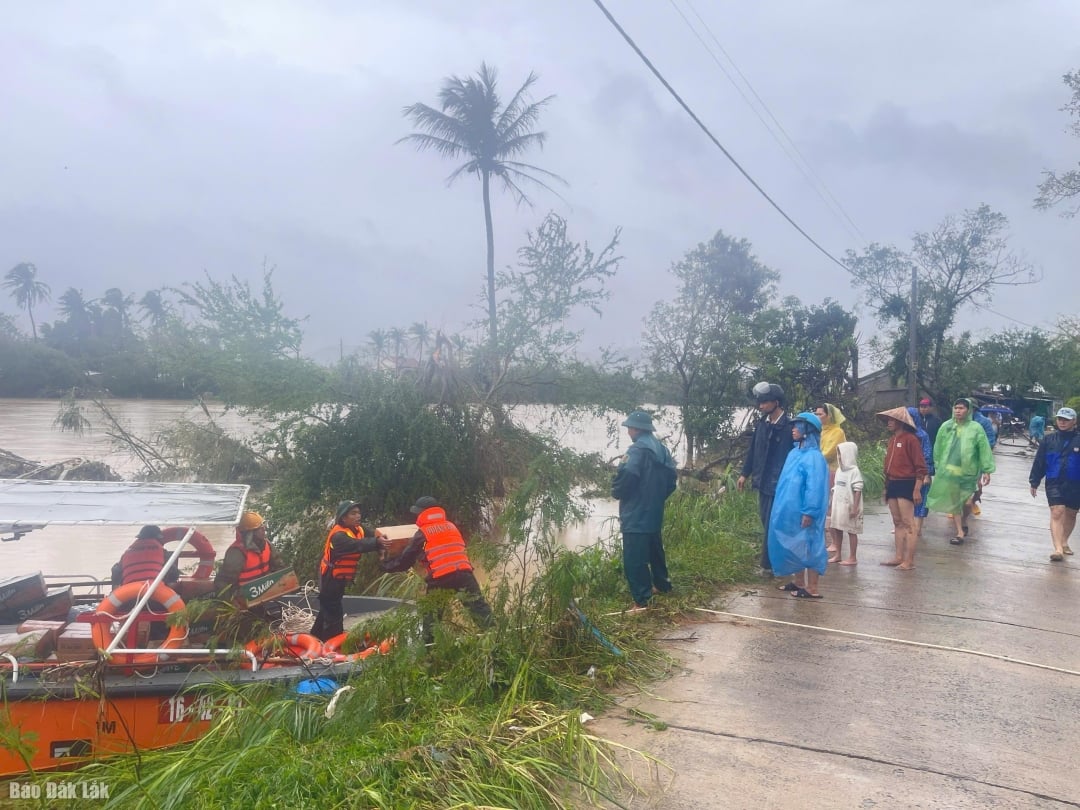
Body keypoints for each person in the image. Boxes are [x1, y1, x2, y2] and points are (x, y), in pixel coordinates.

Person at [380, 496, 492, 643]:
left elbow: (404, 562)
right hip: (465, 574)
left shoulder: (423, 533)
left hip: (441, 578)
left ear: (422, 513)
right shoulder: (451, 526)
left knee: (431, 619)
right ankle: (497, 644)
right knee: (481, 612)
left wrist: (384, 564)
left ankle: (430, 656)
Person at [610, 409, 678, 611]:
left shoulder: (636, 451)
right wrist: (657, 498)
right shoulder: (662, 449)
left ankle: (641, 601)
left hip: (636, 512)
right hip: (654, 511)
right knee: (655, 550)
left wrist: (617, 492)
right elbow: (672, 481)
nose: (628, 431)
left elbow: (627, 474)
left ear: (635, 429)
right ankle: (663, 585)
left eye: (629, 428)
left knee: (634, 558)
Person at [769, 412, 829, 598]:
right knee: (796, 544)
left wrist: (810, 512)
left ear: (808, 430)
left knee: (810, 544)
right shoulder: (794, 453)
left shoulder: (814, 457)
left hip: (806, 510)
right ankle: (798, 582)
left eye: (798, 426)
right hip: (790, 509)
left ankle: (812, 588)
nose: (793, 429)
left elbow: (815, 487)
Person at [737, 382, 794, 573]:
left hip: (780, 483)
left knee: (772, 523)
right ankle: (780, 558)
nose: (760, 406)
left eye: (764, 402)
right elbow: (753, 451)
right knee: (765, 520)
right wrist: (745, 474)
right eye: (759, 402)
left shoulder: (789, 428)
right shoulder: (762, 424)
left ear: (776, 402)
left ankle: (768, 565)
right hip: (762, 482)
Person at [926, 399, 995, 544]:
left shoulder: (976, 428)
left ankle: (964, 520)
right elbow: (938, 447)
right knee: (956, 502)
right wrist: (938, 467)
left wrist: (987, 470)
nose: (958, 411)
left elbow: (984, 449)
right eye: (956, 408)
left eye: (961, 408)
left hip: (969, 472)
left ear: (968, 410)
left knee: (968, 503)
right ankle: (959, 532)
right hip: (950, 470)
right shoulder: (946, 426)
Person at [310, 500, 382, 641]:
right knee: (334, 612)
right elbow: (357, 545)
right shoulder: (338, 537)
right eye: (353, 513)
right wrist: (377, 543)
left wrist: (383, 539)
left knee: (328, 607)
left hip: (340, 577)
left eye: (358, 513)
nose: (358, 516)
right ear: (343, 518)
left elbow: (373, 535)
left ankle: (315, 636)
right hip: (329, 577)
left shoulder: (359, 529)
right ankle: (333, 645)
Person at [877, 408, 929, 571]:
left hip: (906, 483)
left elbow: (921, 467)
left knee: (908, 523)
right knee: (897, 522)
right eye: (888, 421)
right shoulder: (892, 440)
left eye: (892, 420)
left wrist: (917, 489)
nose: (889, 423)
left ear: (901, 422)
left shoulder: (911, 440)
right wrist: (886, 487)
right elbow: (888, 465)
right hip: (893, 482)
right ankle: (899, 556)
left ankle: (909, 560)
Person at [1029, 407, 1080, 562]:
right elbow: (1040, 462)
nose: (1062, 422)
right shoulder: (1049, 440)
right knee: (1057, 511)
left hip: (1075, 483)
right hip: (1054, 481)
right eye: (1059, 419)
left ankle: (1064, 541)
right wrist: (1034, 481)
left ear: (1074, 421)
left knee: (1071, 513)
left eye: (1066, 419)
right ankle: (1057, 549)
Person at [214, 511, 284, 602]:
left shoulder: (267, 545)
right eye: (259, 528)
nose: (264, 530)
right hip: (245, 598)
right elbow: (223, 582)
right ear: (250, 533)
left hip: (267, 592)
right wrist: (233, 603)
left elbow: (279, 567)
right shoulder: (237, 552)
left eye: (263, 527)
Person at [814, 403, 847, 556]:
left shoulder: (837, 432)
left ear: (829, 416)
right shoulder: (818, 431)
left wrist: (813, 458)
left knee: (832, 507)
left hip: (832, 472)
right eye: (816, 413)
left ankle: (835, 541)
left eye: (820, 414)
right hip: (819, 471)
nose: (817, 416)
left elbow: (829, 453)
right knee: (820, 505)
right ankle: (824, 538)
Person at [111, 525, 180, 587]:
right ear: (158, 539)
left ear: (139, 538)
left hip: (129, 592)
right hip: (155, 592)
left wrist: (115, 588)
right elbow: (173, 572)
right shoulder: (162, 553)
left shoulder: (128, 552)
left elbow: (116, 570)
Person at [829, 441, 863, 565]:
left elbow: (858, 489)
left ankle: (852, 557)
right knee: (837, 528)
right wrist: (832, 502)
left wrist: (855, 508)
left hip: (850, 506)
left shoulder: (854, 471)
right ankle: (838, 554)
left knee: (851, 530)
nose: (839, 457)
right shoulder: (839, 470)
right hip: (838, 505)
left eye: (841, 454)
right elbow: (835, 487)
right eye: (838, 455)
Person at [907, 405, 936, 541]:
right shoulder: (902, 435)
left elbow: (927, 456)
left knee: (920, 502)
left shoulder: (922, 436)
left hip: (920, 474)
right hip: (906, 475)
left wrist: (926, 474)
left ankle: (917, 529)